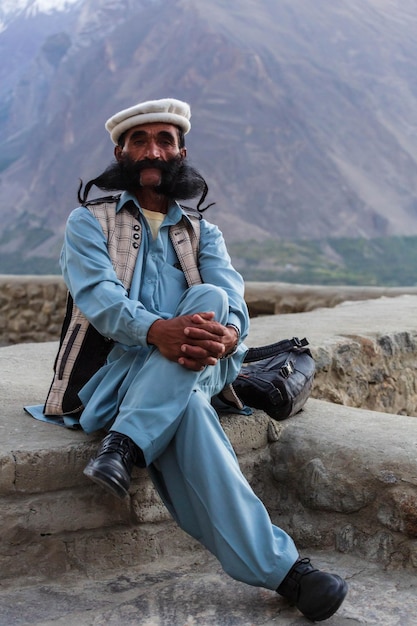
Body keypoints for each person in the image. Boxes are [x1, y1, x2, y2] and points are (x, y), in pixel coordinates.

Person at [61, 97, 348, 621]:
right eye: (140, 139)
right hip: (114, 381)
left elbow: (231, 300)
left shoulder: (202, 233)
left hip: (196, 369)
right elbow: (101, 299)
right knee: (188, 407)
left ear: (181, 152)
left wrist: (230, 333)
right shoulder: (88, 224)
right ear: (120, 151)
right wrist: (156, 331)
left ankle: (124, 446)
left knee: (213, 303)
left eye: (164, 140)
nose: (153, 149)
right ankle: (288, 574)